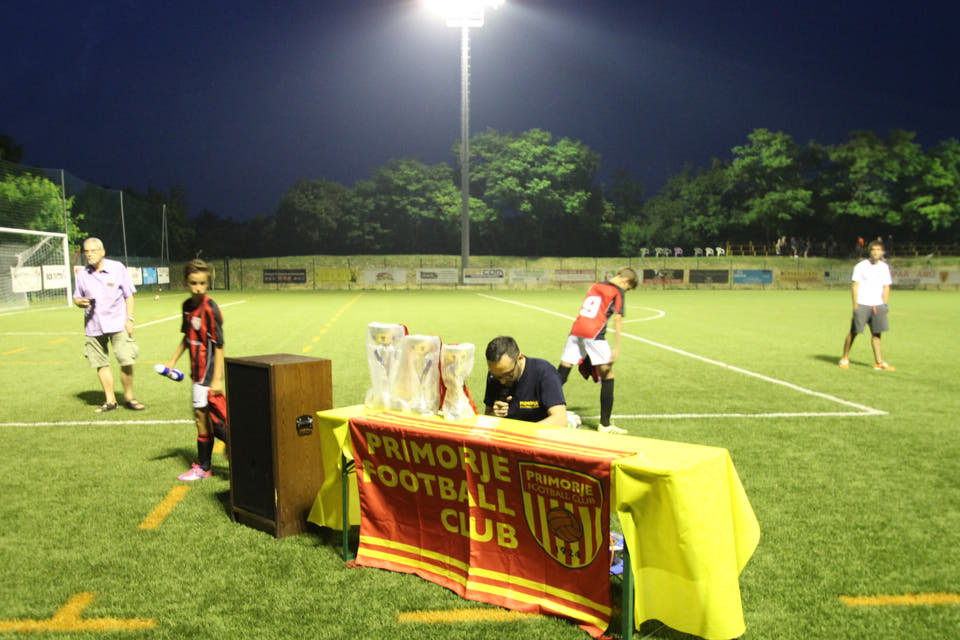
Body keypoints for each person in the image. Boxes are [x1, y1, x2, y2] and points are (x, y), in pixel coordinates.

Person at [162, 259, 225, 481]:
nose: (198, 288)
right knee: (205, 417)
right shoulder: (187, 306)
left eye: (202, 283)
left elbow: (219, 346)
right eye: (193, 283)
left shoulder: (210, 308)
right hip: (196, 372)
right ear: (186, 283)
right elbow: (187, 337)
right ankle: (214, 461)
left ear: (208, 283)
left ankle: (205, 466)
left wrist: (217, 379)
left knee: (204, 418)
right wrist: (172, 361)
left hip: (207, 373)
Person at [556, 267, 639, 434]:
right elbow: (618, 319)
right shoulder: (617, 291)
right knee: (608, 375)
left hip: (576, 330)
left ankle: (536, 406)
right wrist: (617, 347)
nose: (626, 291)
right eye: (628, 288)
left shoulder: (596, 285)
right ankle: (605, 425)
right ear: (625, 281)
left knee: (562, 373)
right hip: (594, 334)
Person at [72, 237, 145, 413]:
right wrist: (79, 302)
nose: (89, 254)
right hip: (94, 325)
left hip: (118, 323)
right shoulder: (82, 275)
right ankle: (110, 401)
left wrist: (130, 319)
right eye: (87, 251)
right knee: (100, 363)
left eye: (93, 250)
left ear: (102, 251)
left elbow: (129, 295)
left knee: (126, 359)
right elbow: (77, 297)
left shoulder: (117, 268)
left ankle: (129, 398)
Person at [483, 336, 567, 427]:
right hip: (508, 433)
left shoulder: (544, 372)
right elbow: (487, 418)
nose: (502, 381)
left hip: (539, 433)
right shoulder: (494, 374)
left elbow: (560, 421)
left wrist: (520, 432)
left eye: (509, 374)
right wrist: (494, 415)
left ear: (520, 358)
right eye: (498, 377)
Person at [839, 240, 895, 371]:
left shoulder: (884, 267)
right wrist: (855, 305)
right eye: (873, 249)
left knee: (877, 334)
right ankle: (844, 358)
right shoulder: (861, 266)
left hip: (878, 305)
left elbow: (886, 286)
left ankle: (879, 362)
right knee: (854, 332)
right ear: (869, 251)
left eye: (878, 250)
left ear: (882, 252)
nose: (875, 252)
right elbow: (855, 285)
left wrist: (885, 304)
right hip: (863, 304)